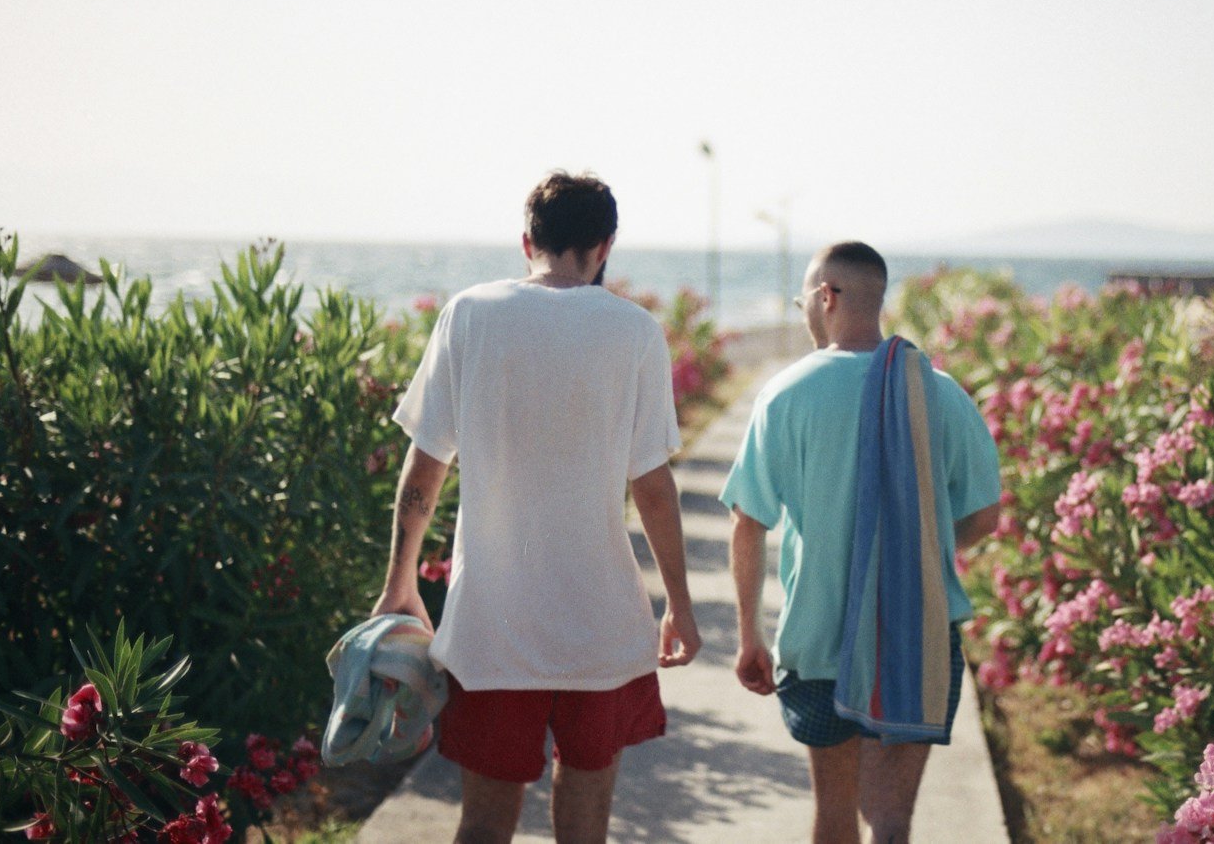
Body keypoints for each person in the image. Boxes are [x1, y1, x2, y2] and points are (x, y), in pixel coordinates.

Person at [372, 170, 701, 844]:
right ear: (606, 244)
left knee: (484, 824)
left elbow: (425, 464)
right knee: (587, 823)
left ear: (527, 240)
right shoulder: (634, 330)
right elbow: (654, 486)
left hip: (493, 625)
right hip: (601, 625)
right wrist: (680, 603)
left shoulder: (469, 313)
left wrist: (399, 583)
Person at [720, 241, 1002, 844]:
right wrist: (911, 547)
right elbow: (983, 518)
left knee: (834, 813)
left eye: (803, 301)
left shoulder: (785, 394)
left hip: (821, 638)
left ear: (826, 297)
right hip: (918, 636)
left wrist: (750, 636)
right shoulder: (939, 391)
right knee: (894, 819)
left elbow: (749, 523)